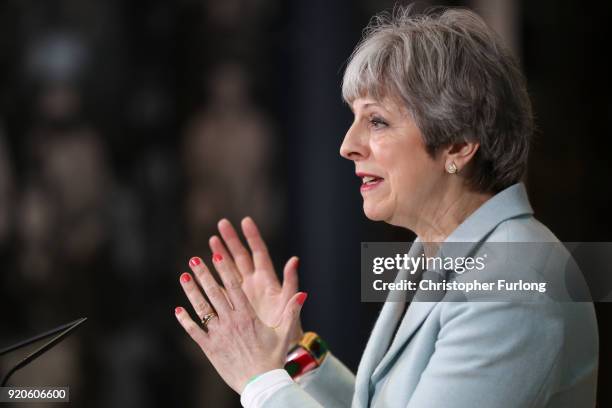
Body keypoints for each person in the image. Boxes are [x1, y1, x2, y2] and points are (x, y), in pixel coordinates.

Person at [173, 6, 599, 407]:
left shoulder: (516, 283)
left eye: (376, 121)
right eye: (354, 119)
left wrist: (261, 382)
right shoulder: (449, 251)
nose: (348, 146)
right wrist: (293, 353)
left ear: (459, 143)